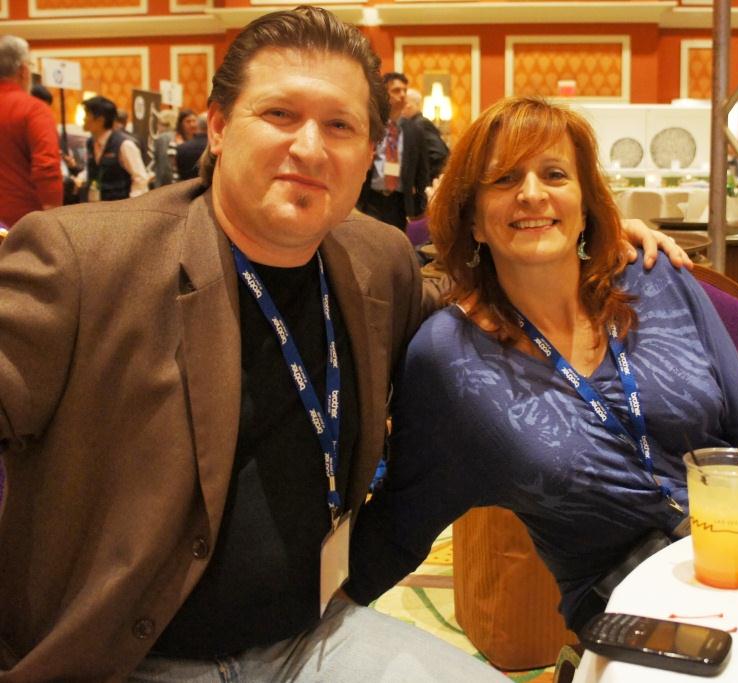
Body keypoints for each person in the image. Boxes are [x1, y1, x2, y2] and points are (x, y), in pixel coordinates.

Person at [0, 9, 685, 680]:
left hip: (311, 636)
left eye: (339, 126)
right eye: (279, 114)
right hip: (128, 657)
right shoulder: (84, 263)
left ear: (367, 155)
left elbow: (469, 287)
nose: (309, 148)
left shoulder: (376, 260)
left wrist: (578, 230)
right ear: (218, 127)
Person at [346, 97, 738, 636]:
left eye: (554, 174)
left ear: (586, 203)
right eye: (504, 179)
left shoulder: (656, 279)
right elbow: (403, 522)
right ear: (473, 220)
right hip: (637, 609)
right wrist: (306, 624)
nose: (532, 193)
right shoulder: (450, 358)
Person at [0, 35, 62, 228]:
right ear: (23, 71)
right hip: (22, 222)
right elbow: (46, 166)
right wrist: (54, 218)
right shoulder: (34, 109)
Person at [356, 72, 431, 230]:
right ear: (384, 94)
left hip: (399, 204)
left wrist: (419, 206)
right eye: (396, 90)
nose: (402, 95)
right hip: (370, 199)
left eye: (405, 90)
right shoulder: (369, 126)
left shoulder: (414, 131)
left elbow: (422, 172)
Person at [80, 94, 150, 200]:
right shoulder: (90, 142)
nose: (83, 119)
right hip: (96, 205)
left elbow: (140, 179)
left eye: (87, 115)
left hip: (119, 205)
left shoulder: (124, 145)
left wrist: (131, 205)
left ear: (100, 120)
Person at [403, 86, 449, 180]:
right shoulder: (413, 124)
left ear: (410, 105)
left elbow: (439, 154)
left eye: (404, 103)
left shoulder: (421, 124)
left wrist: (423, 178)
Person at [150, 109, 179, 187]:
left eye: (159, 123)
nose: (157, 126)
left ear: (165, 123)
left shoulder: (163, 138)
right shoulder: (176, 135)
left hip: (166, 185)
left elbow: (164, 165)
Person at [175, 112, 208, 181]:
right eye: (188, 121)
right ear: (181, 124)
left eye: (194, 121)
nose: (192, 124)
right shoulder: (175, 140)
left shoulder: (191, 143)